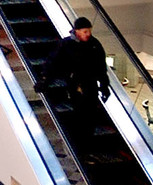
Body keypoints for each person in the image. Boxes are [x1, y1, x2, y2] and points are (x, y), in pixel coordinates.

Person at [37, 17, 111, 147]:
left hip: (90, 83)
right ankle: (79, 142)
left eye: (89, 31)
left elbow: (101, 67)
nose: (88, 34)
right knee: (80, 113)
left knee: (91, 114)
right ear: (76, 31)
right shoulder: (66, 44)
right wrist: (45, 80)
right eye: (85, 32)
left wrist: (104, 86)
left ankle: (87, 141)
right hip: (75, 83)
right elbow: (53, 62)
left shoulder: (95, 44)